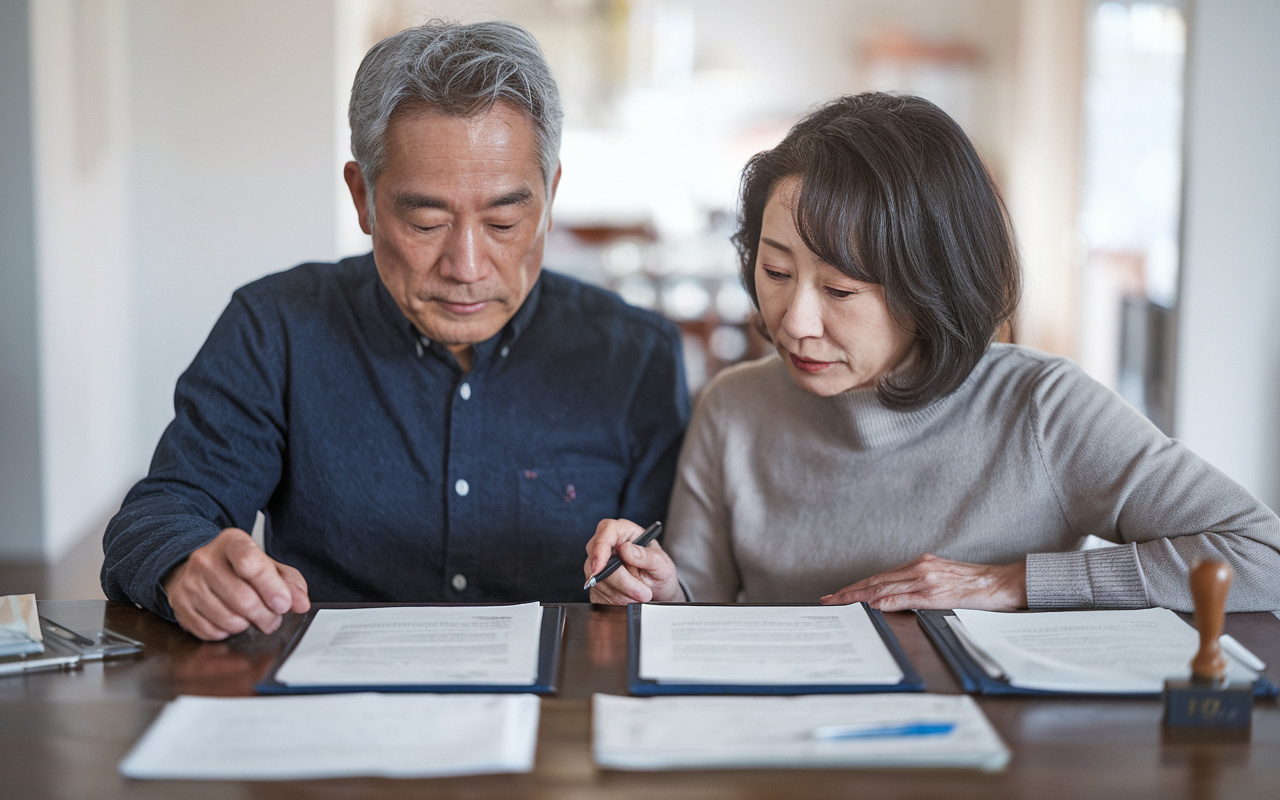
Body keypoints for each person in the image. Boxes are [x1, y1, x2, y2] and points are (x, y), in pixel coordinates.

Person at [102, 20, 689, 641]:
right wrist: (187, 565)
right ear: (363, 198)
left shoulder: (635, 356)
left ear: (550, 197)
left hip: (556, 717)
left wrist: (651, 584)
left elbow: (677, 572)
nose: (466, 268)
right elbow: (158, 515)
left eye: (504, 222)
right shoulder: (276, 328)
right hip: (336, 705)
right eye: (427, 222)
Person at [584, 92, 1280, 614]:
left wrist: (1011, 584)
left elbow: (1261, 557)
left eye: (840, 289)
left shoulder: (1041, 409)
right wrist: (660, 589)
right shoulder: (734, 407)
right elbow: (703, 608)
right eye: (774, 272)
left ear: (929, 285)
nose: (794, 322)